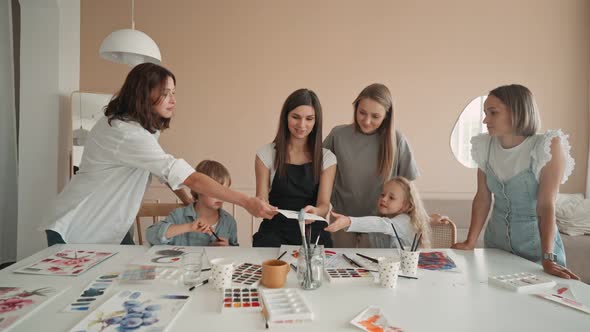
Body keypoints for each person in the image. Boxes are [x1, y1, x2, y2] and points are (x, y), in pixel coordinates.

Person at [44, 63, 276, 246]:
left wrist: (187, 202)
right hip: (81, 227)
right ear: (143, 94)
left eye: (174, 93)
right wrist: (246, 201)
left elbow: (165, 172)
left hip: (110, 226)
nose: (173, 100)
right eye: (166, 93)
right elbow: (189, 177)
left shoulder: (142, 131)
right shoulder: (125, 133)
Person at [451, 84, 579, 279]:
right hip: (496, 245)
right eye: (485, 113)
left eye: (493, 112)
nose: (486, 120)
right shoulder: (484, 145)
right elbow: (483, 198)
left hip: (537, 249)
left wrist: (548, 257)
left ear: (518, 111)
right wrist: (470, 241)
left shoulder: (546, 146)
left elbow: (546, 206)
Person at [323, 83, 419, 247]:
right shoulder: (337, 135)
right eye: (362, 113)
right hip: (341, 223)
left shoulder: (397, 141)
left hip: (381, 228)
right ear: (355, 109)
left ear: (386, 116)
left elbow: (409, 190)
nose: (367, 121)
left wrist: (424, 216)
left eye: (375, 116)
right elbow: (318, 174)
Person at [252, 89, 337, 247]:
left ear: (316, 121)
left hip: (313, 232)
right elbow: (261, 198)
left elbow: (324, 206)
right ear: (286, 117)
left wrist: (316, 212)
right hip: (274, 231)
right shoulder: (265, 154)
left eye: (309, 118)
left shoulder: (327, 158)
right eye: (295, 117)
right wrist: (262, 206)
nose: (302, 125)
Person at [146, 160, 239, 246]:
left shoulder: (229, 222)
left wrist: (227, 248)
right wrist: (189, 227)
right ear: (197, 189)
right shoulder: (179, 216)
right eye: (215, 191)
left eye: (224, 191)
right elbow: (151, 235)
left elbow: (235, 253)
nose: (221, 196)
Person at [325, 176, 431, 249]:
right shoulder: (383, 218)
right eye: (382, 194)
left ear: (406, 206)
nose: (384, 199)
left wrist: (348, 221)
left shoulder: (404, 221)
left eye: (391, 197)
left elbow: (383, 225)